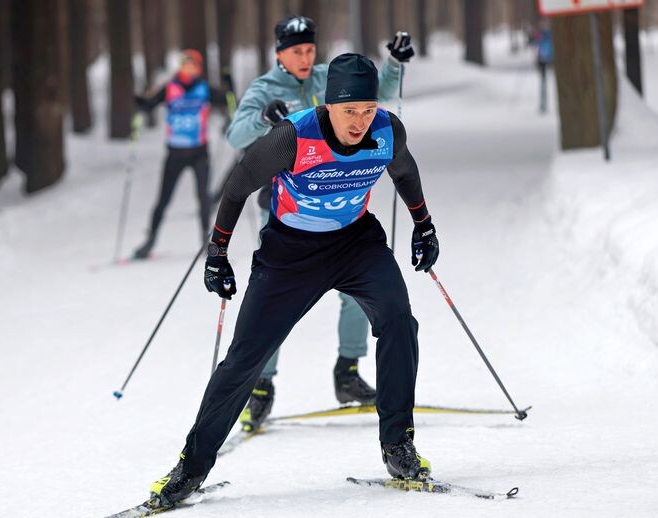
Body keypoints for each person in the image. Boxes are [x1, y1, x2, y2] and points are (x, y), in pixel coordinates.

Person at [147, 53, 439, 507]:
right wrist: (217, 254)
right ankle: (192, 466)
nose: (360, 121)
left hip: (355, 244)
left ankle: (397, 444)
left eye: (367, 109)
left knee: (399, 319)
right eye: (349, 111)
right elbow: (238, 184)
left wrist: (424, 225)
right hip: (289, 252)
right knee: (246, 358)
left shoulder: (387, 129)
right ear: (327, 106)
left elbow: (404, 171)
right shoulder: (292, 137)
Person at [223, 15, 416, 432]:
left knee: (358, 295)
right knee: (273, 302)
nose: (306, 58)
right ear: (280, 54)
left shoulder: (327, 77)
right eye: (297, 52)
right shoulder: (264, 88)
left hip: (340, 209)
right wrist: (263, 119)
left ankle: (347, 371)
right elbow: (235, 136)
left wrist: (394, 64)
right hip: (284, 209)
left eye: (310, 50)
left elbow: (375, 96)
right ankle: (261, 385)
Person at [131, 50, 228, 259]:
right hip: (175, 152)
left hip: (199, 152)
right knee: (163, 198)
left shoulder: (204, 88)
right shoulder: (169, 88)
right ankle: (150, 240)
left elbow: (228, 100)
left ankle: (206, 241)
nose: (188, 69)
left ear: (198, 68)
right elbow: (149, 104)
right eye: (185, 65)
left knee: (203, 197)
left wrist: (230, 89)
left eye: (192, 65)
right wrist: (139, 100)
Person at [530, 19, 553, 114]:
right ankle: (543, 104)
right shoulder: (541, 34)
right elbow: (533, 43)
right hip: (542, 60)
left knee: (544, 82)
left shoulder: (547, 34)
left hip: (548, 59)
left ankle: (544, 104)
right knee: (543, 82)